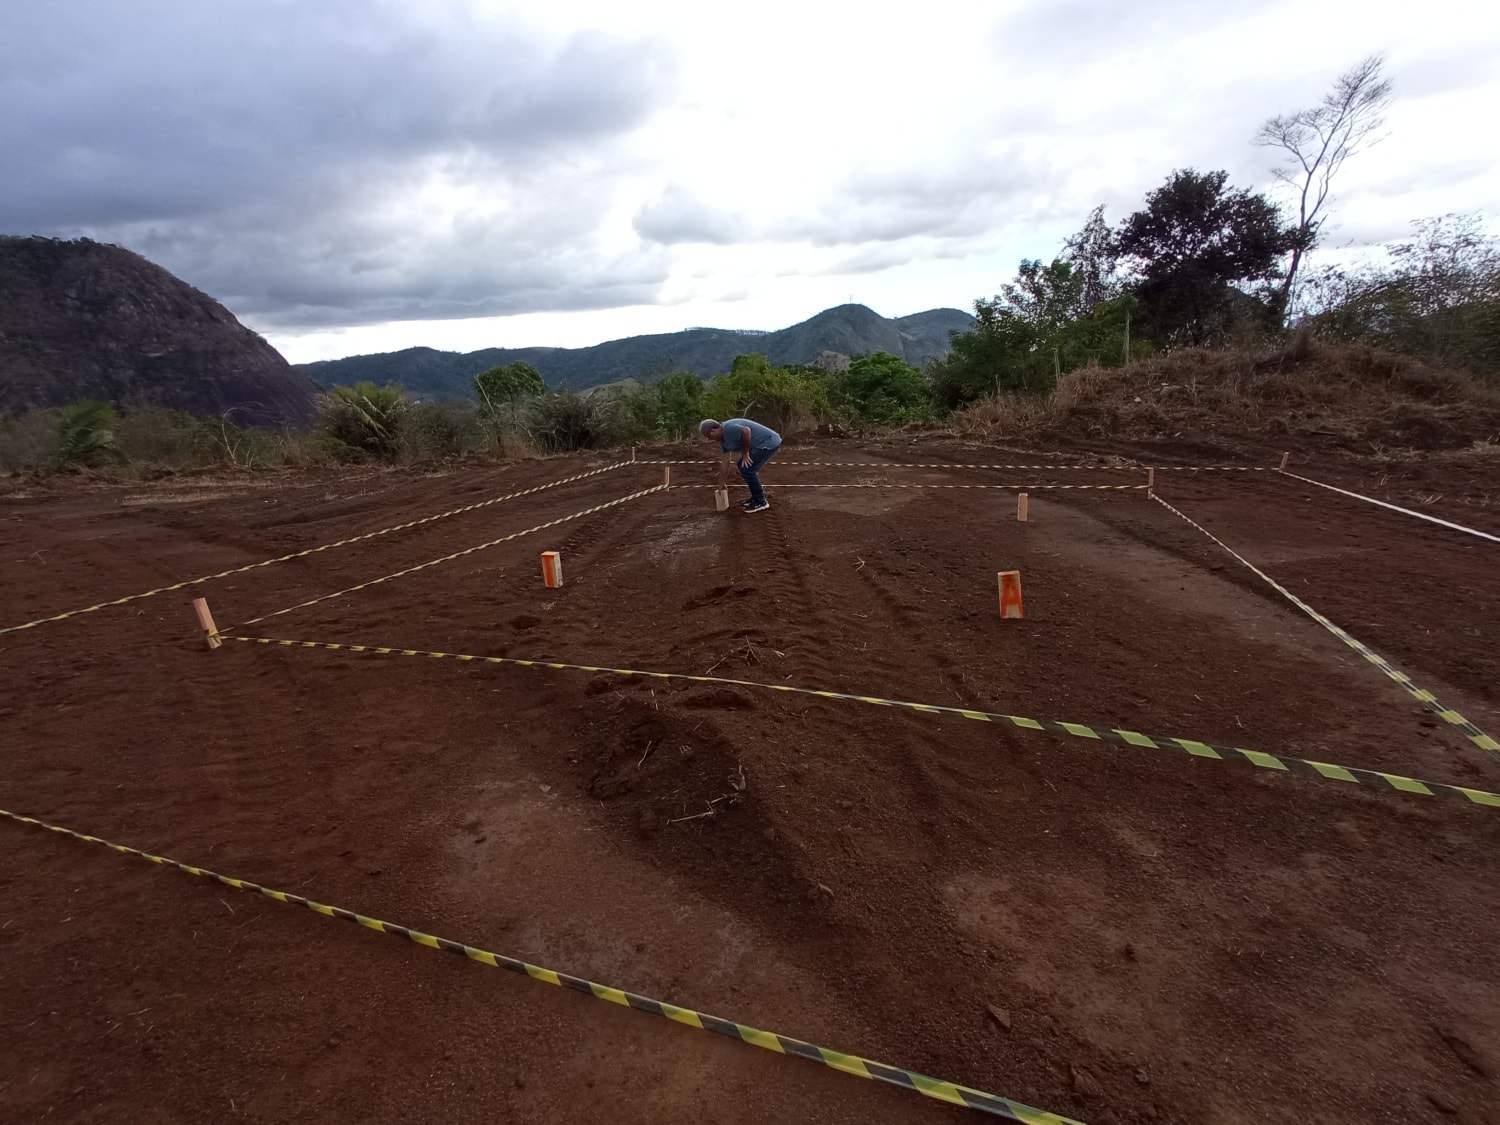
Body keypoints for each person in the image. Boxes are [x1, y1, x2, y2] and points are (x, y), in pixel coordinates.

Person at [699, 417, 781, 513]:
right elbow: (726, 461)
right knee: (743, 466)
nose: (709, 439)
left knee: (747, 469)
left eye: (708, 436)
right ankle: (756, 497)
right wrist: (722, 483)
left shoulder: (728, 428)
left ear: (713, 431)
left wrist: (745, 452)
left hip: (768, 442)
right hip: (760, 444)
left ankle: (761, 501)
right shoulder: (724, 441)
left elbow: (746, 431)